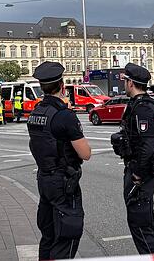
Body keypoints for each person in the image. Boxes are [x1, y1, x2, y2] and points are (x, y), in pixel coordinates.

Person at [27, 62, 91, 260]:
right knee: (66, 235)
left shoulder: (36, 112)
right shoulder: (64, 116)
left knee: (48, 235)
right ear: (62, 86)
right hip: (63, 182)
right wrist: (66, 114)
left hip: (44, 179)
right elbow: (85, 153)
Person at [112, 63, 154, 254]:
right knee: (143, 223)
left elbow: (148, 145)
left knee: (141, 225)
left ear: (131, 83)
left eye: (125, 81)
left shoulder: (143, 108)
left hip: (140, 173)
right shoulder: (137, 105)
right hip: (135, 168)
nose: (124, 84)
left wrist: (137, 175)